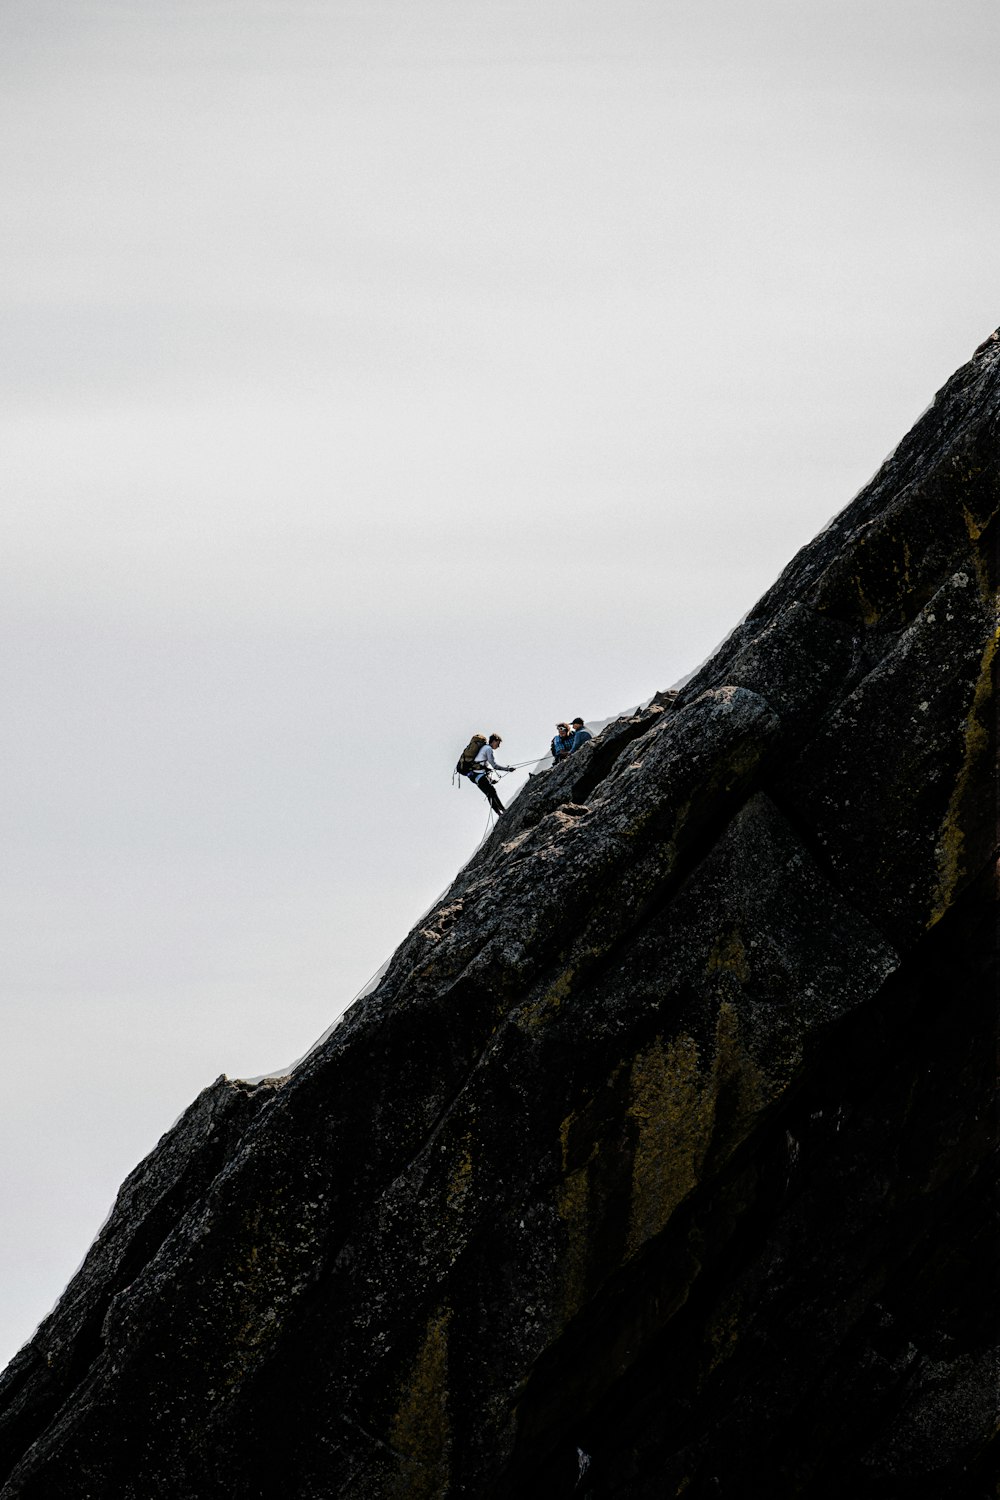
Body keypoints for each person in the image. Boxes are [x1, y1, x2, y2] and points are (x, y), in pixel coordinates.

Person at [469, 734, 513, 816]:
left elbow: (482, 767)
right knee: (492, 792)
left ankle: (499, 813)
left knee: (489, 794)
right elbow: (494, 766)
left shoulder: (484, 748)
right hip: (479, 776)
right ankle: (503, 810)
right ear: (494, 741)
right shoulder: (488, 749)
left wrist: (491, 780)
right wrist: (507, 769)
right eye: (498, 743)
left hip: (475, 777)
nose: (498, 746)